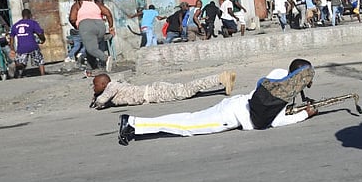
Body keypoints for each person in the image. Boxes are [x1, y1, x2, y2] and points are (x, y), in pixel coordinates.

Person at [117, 59, 317, 145]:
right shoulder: (283, 92)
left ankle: (135, 124)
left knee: (187, 119)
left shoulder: (279, 75)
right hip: (231, 117)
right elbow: (276, 121)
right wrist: (304, 114)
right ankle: (133, 124)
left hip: (236, 104)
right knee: (186, 126)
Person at [91, 71, 237, 109]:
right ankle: (220, 80)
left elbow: (101, 101)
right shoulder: (116, 85)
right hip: (153, 90)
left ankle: (220, 78)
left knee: (185, 90)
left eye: (95, 85)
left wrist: (95, 99)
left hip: (154, 93)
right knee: (185, 89)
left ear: (103, 84)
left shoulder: (111, 87)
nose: (94, 87)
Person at [68, 0, 115, 73]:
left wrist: (77, 26)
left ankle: (106, 58)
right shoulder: (96, 4)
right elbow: (108, 13)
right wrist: (111, 27)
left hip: (86, 26)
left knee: (91, 49)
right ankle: (91, 68)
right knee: (90, 47)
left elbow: (72, 18)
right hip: (100, 26)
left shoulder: (77, 4)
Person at [10, 9, 46, 78]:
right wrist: (43, 39)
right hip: (32, 46)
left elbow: (11, 37)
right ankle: (43, 75)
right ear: (29, 15)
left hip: (21, 47)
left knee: (22, 64)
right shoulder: (32, 23)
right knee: (40, 61)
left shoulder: (15, 25)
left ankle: (16, 66)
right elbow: (39, 33)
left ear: (22, 15)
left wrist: (12, 49)